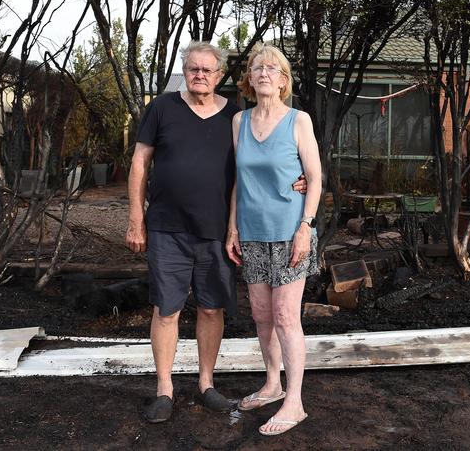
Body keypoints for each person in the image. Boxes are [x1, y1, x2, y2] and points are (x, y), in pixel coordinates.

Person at [125, 41, 306, 423]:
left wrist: (298, 179)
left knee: (211, 308)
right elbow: (140, 163)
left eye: (208, 70)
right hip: (166, 227)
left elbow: (259, 162)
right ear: (185, 71)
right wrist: (135, 219)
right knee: (167, 308)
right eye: (194, 69)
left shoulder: (234, 116)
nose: (200, 75)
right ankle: (164, 389)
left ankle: (206, 384)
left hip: (215, 231)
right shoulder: (161, 109)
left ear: (220, 76)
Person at [225, 44, 322, 436]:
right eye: (256, 67)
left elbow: (314, 179)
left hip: (289, 233)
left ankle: (294, 402)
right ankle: (272, 384)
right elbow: (239, 182)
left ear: (283, 80)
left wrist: (306, 227)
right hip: (251, 234)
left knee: (285, 317)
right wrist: (232, 228)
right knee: (262, 317)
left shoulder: (298, 121)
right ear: (248, 78)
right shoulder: (239, 122)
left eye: (272, 68)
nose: (263, 73)